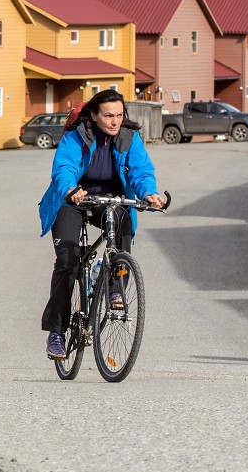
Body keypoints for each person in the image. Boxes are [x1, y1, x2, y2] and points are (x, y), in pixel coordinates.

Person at [37, 89, 163, 360]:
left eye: (119, 115)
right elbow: (64, 168)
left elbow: (141, 171)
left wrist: (149, 193)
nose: (115, 121)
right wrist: (71, 189)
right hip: (73, 199)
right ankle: (56, 333)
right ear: (94, 116)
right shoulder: (76, 137)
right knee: (68, 262)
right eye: (108, 115)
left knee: (123, 220)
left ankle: (115, 289)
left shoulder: (130, 139)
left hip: (109, 198)